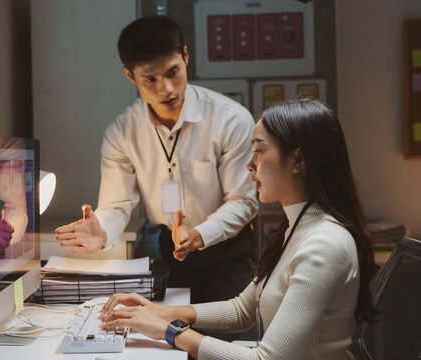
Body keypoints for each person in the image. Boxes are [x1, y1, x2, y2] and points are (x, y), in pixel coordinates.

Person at [98, 99, 379, 359]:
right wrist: (157, 312)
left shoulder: (324, 244)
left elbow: (266, 358)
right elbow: (241, 310)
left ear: (297, 160)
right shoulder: (300, 227)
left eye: (258, 151)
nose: (249, 165)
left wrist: (169, 331)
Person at [55, 16, 259, 307]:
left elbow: (244, 201)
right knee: (172, 343)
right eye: (150, 79)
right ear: (130, 76)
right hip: (170, 251)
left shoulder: (231, 120)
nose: (166, 89)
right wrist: (102, 232)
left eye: (173, 72)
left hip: (227, 250)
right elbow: (117, 205)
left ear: (186, 57)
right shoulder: (122, 133)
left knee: (218, 346)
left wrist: (199, 235)